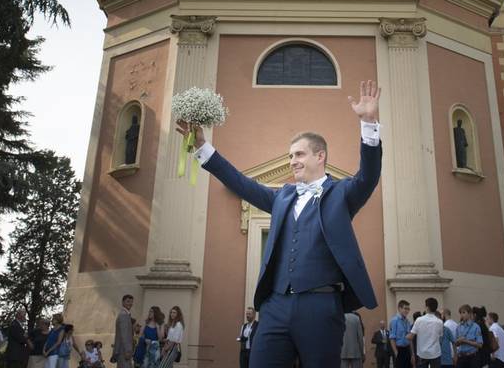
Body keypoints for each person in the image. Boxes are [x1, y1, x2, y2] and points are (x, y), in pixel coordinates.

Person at [176, 80, 383, 368]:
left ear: (320, 156)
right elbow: (241, 183)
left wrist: (369, 123)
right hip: (275, 306)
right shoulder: (282, 196)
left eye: (299, 154)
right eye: (290, 156)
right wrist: (202, 147)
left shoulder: (342, 194)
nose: (292, 161)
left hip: (321, 307)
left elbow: (369, 176)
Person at [408, 297, 444, 368]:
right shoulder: (440, 322)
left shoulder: (419, 320)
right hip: (435, 353)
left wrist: (405, 335)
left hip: (422, 354)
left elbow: (410, 337)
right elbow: (440, 337)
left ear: (427, 307)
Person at [390, 301, 413, 368]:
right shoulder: (394, 321)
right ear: (399, 308)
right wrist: (396, 352)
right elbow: (392, 338)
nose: (407, 311)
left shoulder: (407, 321)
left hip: (407, 350)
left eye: (408, 309)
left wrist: (412, 354)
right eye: (405, 308)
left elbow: (410, 338)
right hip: (399, 350)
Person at [113, 295, 134, 368]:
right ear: (123, 302)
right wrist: (127, 350)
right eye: (128, 301)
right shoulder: (123, 315)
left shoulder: (125, 314)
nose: (130, 304)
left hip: (123, 350)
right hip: (124, 350)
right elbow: (124, 335)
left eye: (131, 302)